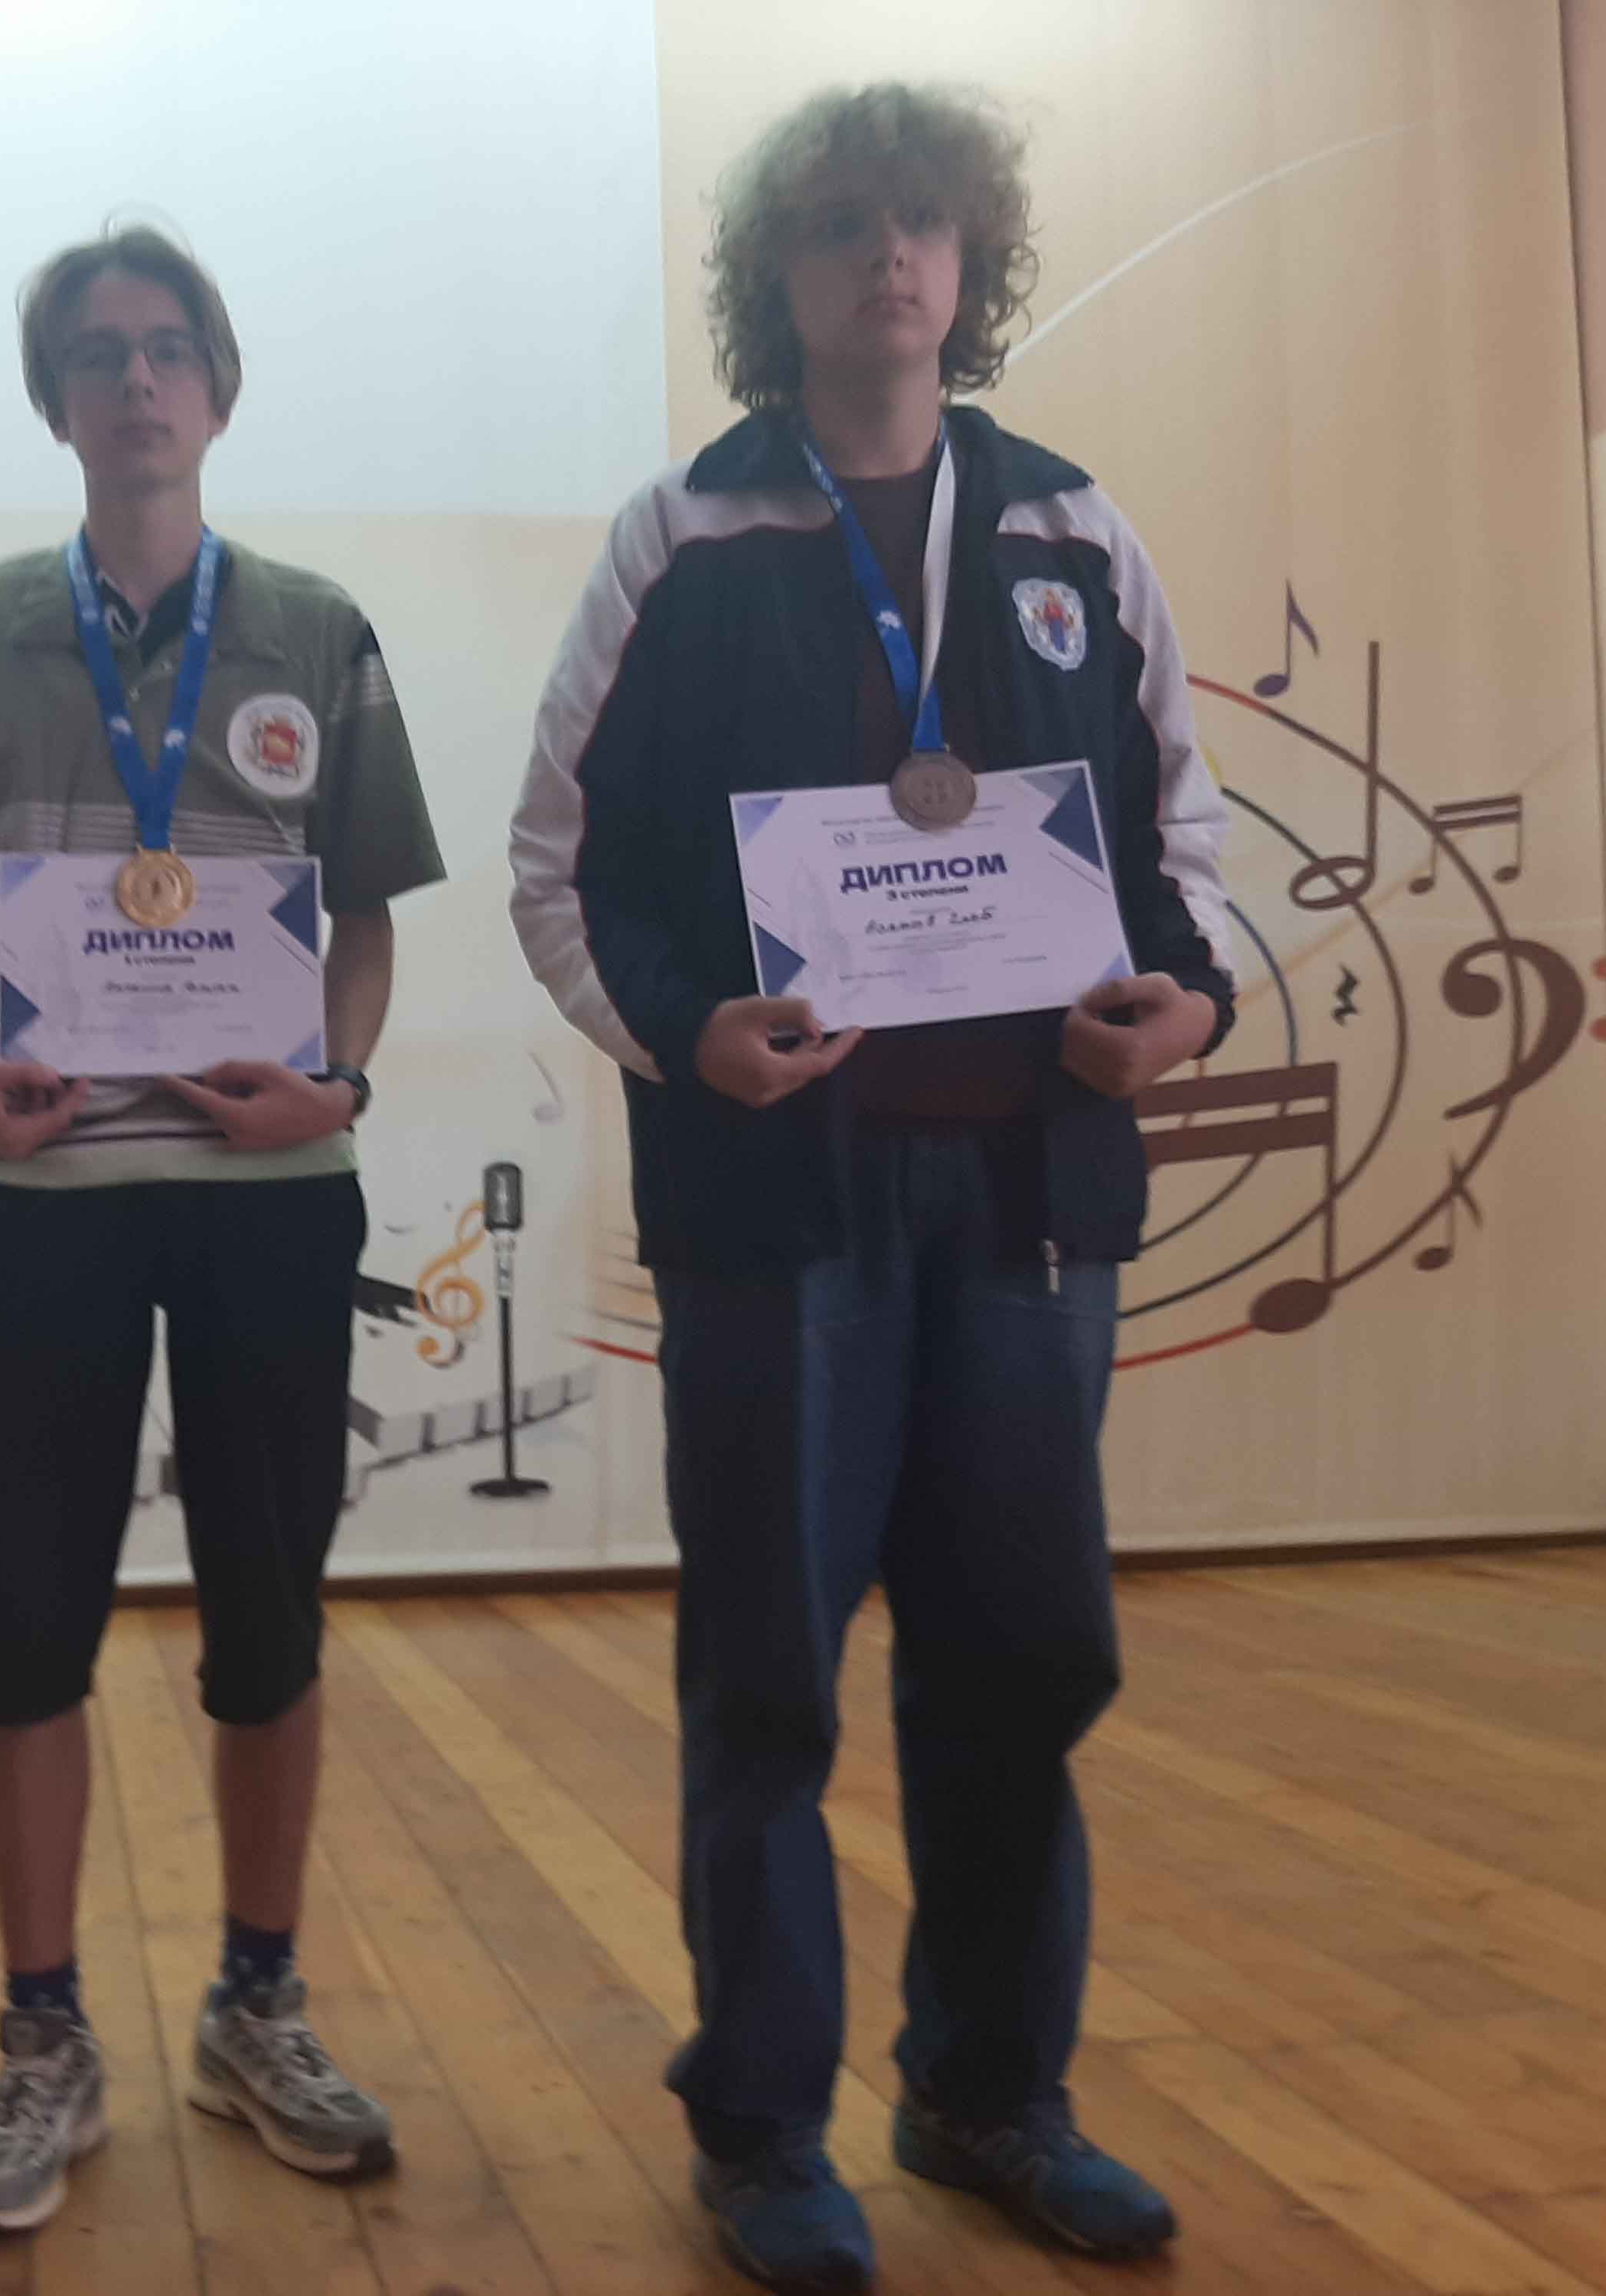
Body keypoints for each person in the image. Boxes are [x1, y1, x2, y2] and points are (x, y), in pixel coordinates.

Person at [511, 85, 1234, 2294]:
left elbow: (1188, 849)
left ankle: (990, 2096)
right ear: (783, 273)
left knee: (1022, 1666)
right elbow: (560, 870)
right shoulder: (679, 538)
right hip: (782, 1216)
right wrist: (688, 1038)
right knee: (767, 1684)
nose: (887, 257)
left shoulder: (1075, 532)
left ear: (970, 258)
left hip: (1026, 1207)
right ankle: (762, 2131)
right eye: (841, 226)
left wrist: (1188, 1005)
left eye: (922, 220)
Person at [0, 223, 445, 2236]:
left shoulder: (317, 627)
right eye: (99, 353)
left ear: (218, 385)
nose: (137, 380)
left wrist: (340, 1084)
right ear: (56, 400)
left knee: (269, 1620)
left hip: (271, 1202)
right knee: (27, 1627)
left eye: (169, 347)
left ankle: (255, 2006)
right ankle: (43, 2038)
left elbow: (363, 921)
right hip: (47, 1204)